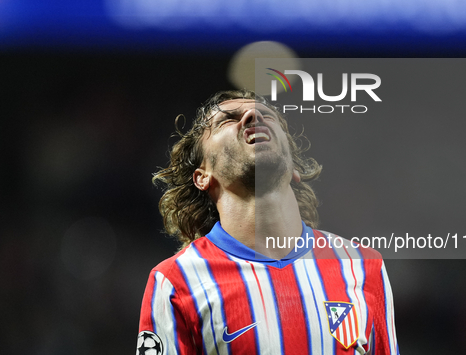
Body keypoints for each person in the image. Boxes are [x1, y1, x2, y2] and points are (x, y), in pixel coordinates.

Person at [137, 89, 399, 355]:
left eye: (267, 115)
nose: (253, 115)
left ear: (294, 169)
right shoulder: (176, 281)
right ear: (203, 176)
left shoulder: (363, 266)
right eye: (227, 120)